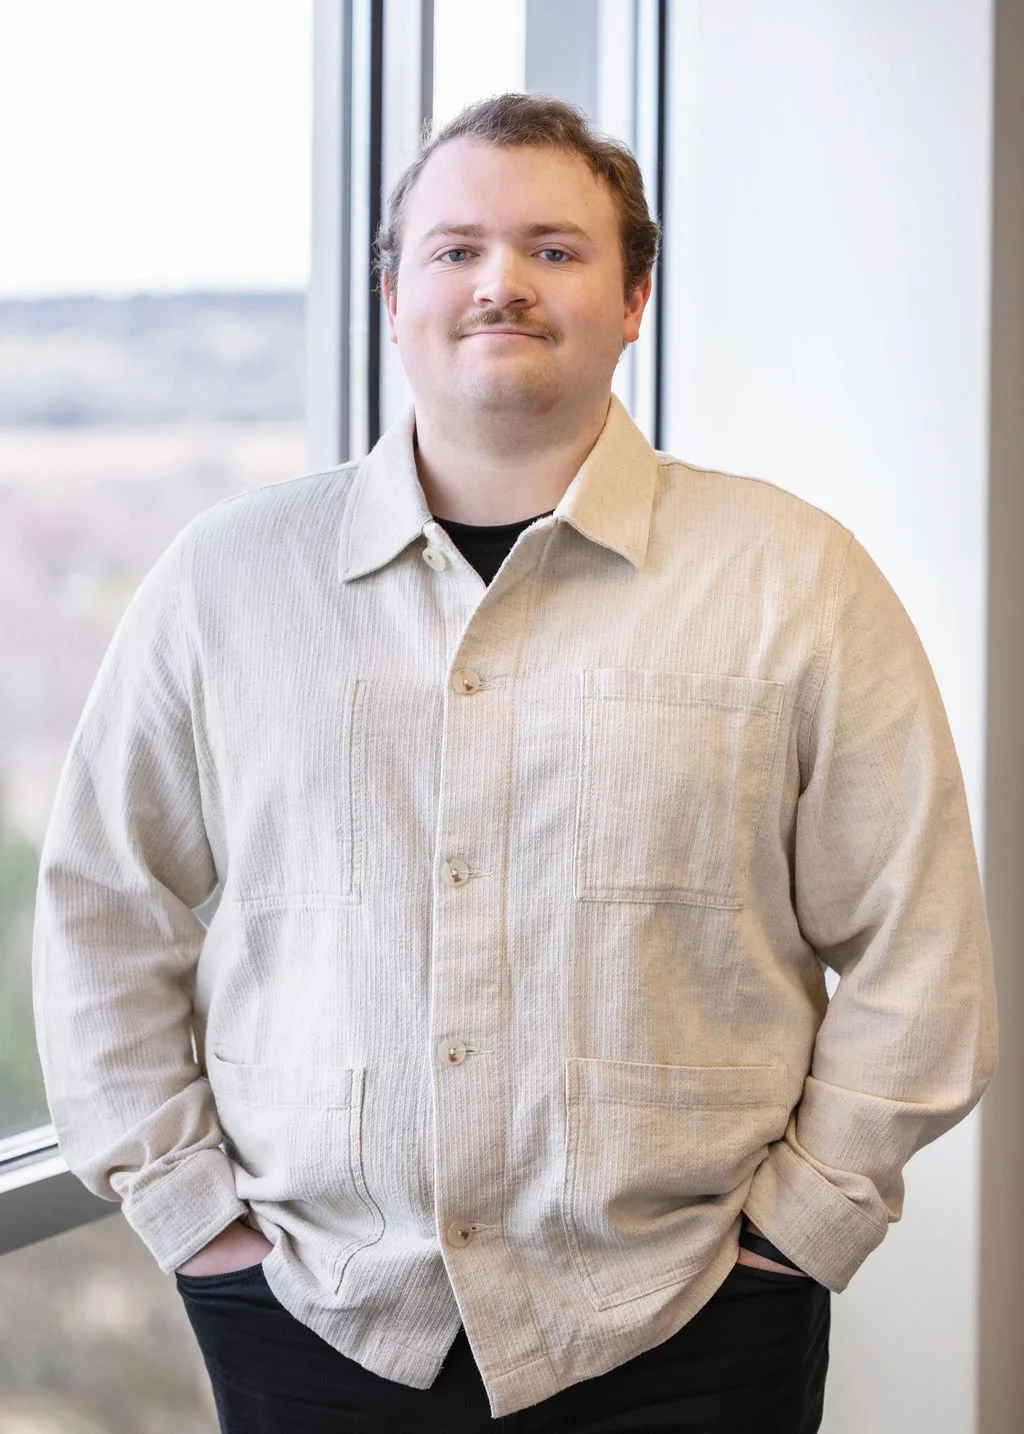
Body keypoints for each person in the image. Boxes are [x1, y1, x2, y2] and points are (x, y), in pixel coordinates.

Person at [33, 93, 996, 1433]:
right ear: (390, 294)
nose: (503, 282)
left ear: (634, 295)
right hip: (317, 1319)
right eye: (456, 249)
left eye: (554, 248)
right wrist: (198, 1222)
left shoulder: (794, 576)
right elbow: (101, 909)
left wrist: (804, 1230)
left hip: (694, 1324)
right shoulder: (225, 581)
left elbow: (921, 940)